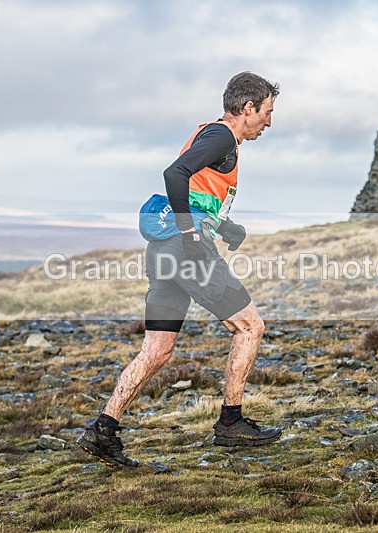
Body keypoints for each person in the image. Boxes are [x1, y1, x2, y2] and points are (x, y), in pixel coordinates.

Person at [77, 72, 282, 468]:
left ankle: (102, 430)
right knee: (250, 327)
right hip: (186, 250)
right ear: (248, 108)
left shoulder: (211, 137)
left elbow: (193, 193)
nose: (269, 123)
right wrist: (191, 233)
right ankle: (231, 422)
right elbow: (174, 174)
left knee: (156, 350)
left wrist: (225, 227)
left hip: (163, 250)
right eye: (267, 113)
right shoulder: (222, 136)